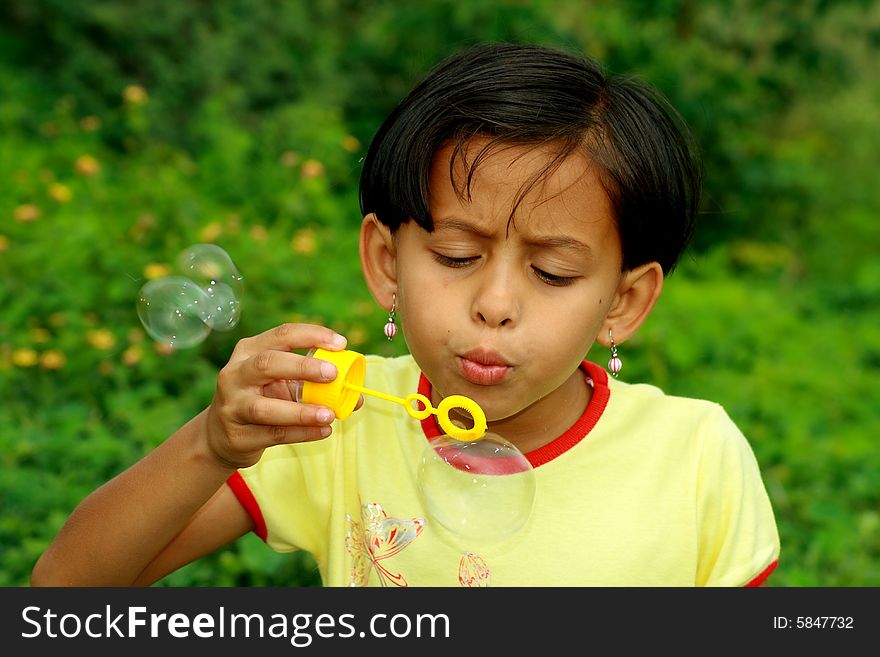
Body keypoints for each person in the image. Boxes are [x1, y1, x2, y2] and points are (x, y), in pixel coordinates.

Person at [32, 42, 779, 587]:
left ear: (624, 301)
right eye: (457, 256)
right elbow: (66, 592)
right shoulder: (338, 425)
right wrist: (212, 444)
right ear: (387, 262)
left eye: (552, 271)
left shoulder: (695, 456)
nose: (494, 305)